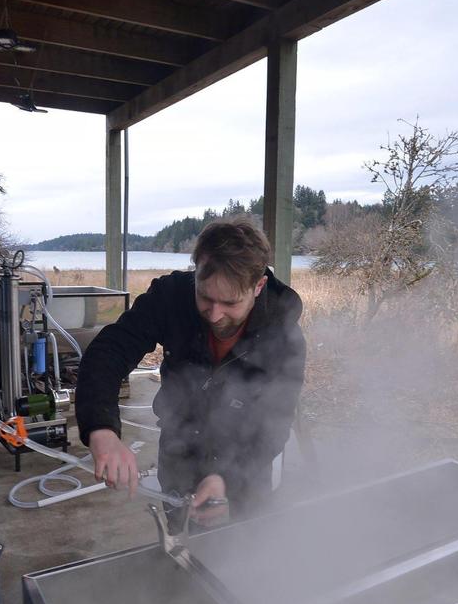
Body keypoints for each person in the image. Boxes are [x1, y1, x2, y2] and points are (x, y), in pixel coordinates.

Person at [75, 218, 306, 525]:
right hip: (179, 459)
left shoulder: (284, 337)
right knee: (180, 550)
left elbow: (273, 426)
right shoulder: (170, 298)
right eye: (205, 297)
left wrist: (227, 480)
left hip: (244, 473)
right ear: (196, 271)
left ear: (259, 285)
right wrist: (101, 429)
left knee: (244, 557)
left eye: (230, 302)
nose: (214, 314)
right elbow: (109, 351)